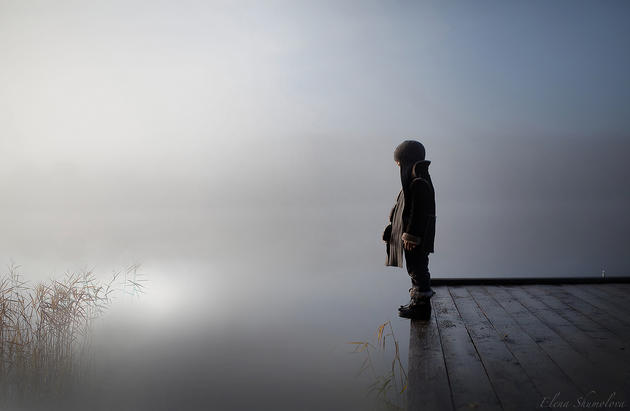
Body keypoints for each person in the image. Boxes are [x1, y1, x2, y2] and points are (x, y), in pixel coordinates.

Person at [383, 140, 436, 319]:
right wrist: (393, 229)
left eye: (399, 163)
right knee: (415, 268)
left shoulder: (418, 182)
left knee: (417, 268)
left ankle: (421, 305)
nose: (398, 166)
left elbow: (418, 212)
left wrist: (411, 235)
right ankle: (417, 300)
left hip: (417, 237)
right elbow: (403, 209)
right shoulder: (415, 179)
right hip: (415, 236)